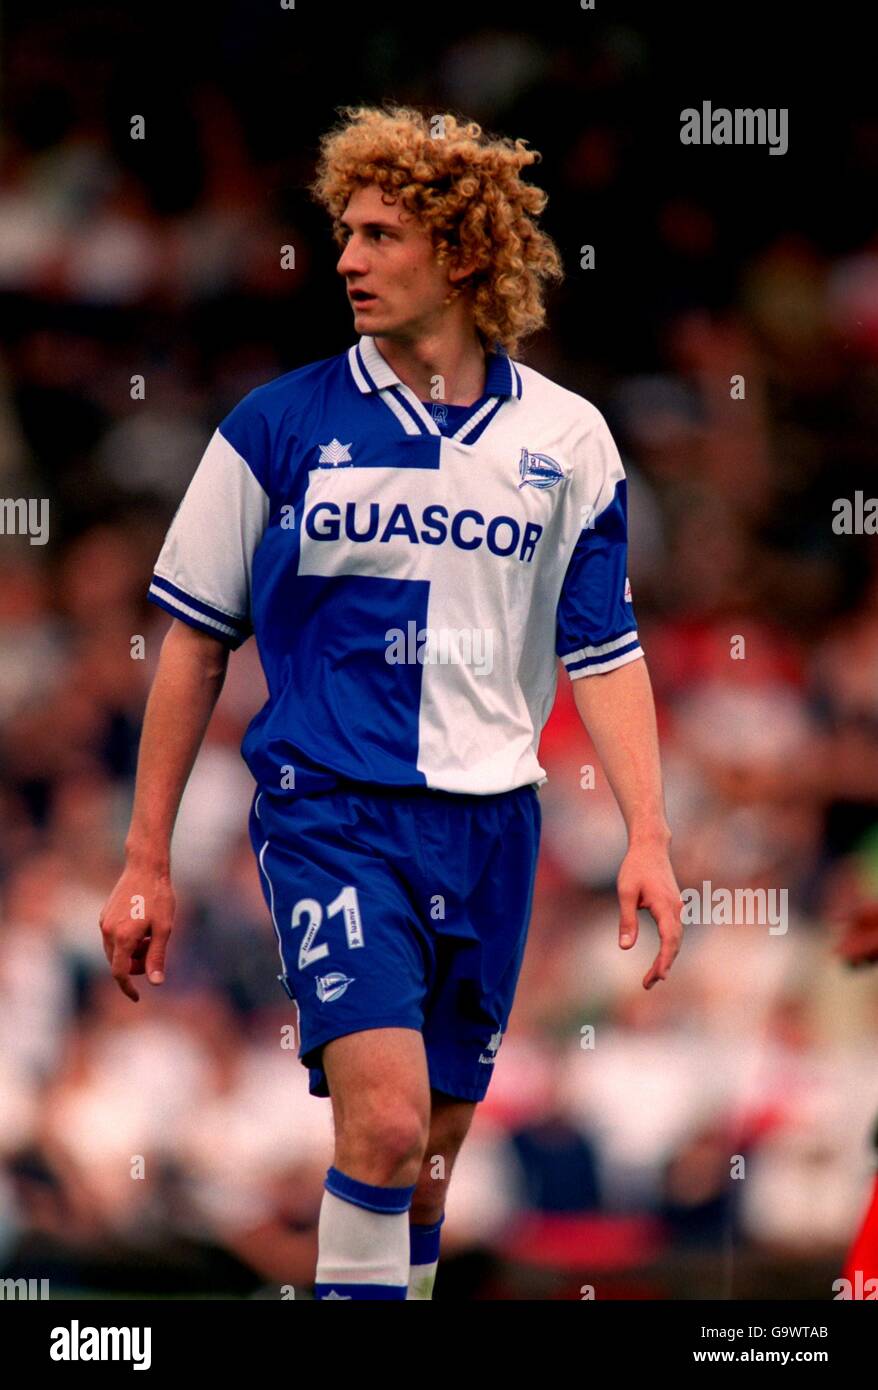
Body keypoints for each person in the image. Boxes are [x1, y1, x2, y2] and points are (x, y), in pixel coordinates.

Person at [98, 104, 684, 1301]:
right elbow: (194, 644)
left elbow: (605, 649)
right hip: (333, 814)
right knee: (378, 1125)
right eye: (342, 234)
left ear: (462, 254)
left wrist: (650, 835)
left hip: (492, 825)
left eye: (377, 235)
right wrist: (145, 856)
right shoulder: (272, 428)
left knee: (425, 1162)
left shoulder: (566, 440)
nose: (346, 260)